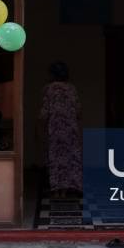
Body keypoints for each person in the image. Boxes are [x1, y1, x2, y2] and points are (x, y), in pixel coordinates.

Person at [38, 61, 82, 197]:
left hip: (55, 130)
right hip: (71, 130)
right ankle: (66, 189)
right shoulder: (72, 88)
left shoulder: (49, 89)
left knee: (56, 159)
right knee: (70, 158)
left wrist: (39, 127)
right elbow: (78, 110)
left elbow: (44, 112)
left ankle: (57, 190)